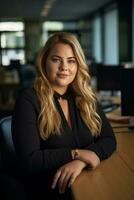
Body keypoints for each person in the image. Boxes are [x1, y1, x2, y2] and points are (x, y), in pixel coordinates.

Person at [11, 32, 116, 200]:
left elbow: (109, 139)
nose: (64, 67)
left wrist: (81, 161)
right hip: (50, 190)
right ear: (44, 61)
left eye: (71, 61)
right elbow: (29, 160)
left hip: (85, 180)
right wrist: (75, 154)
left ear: (78, 64)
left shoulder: (85, 98)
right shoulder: (28, 101)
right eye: (56, 60)